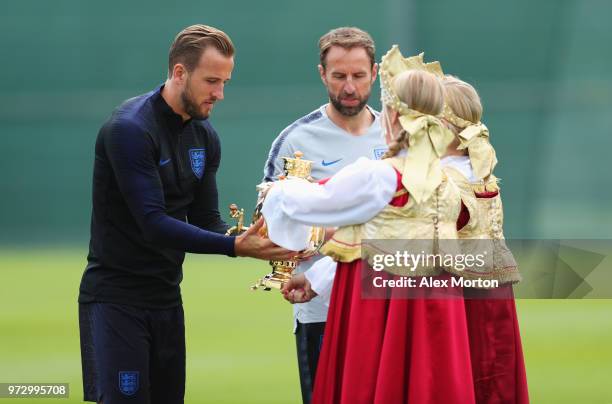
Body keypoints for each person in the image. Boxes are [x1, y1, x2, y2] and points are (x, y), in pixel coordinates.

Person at [263, 46, 527, 403]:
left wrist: (283, 195)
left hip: (398, 305)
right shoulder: (479, 178)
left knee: (393, 381)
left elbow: (373, 243)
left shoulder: (403, 177)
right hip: (462, 306)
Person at [78, 24, 294, 404]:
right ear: (180, 72)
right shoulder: (129, 129)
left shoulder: (204, 135)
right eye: (212, 81)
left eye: (225, 82)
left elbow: (206, 218)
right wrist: (236, 248)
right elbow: (153, 223)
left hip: (167, 300)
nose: (220, 93)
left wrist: (256, 238)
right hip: (116, 302)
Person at [261, 27, 386, 404]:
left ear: (375, 73)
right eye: (339, 75)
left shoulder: (398, 136)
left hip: (388, 306)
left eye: (359, 75)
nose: (350, 86)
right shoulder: (297, 140)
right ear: (322, 74)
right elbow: (269, 220)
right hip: (320, 306)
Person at [440, 74, 528, 403]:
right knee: (493, 374)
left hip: (467, 291)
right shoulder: (474, 167)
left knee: (481, 375)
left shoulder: (449, 176)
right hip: (487, 286)